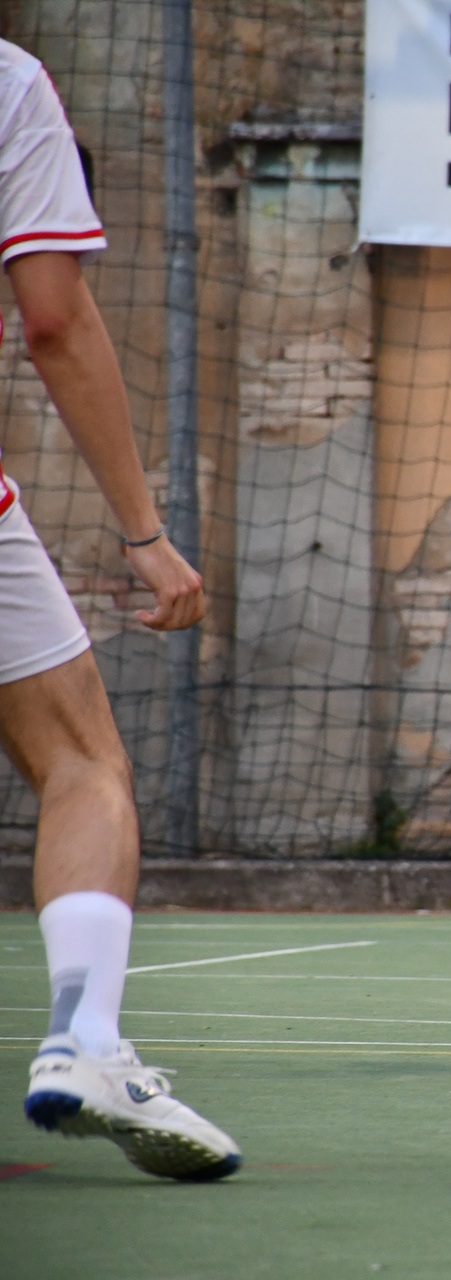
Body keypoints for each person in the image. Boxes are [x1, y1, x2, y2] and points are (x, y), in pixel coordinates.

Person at [3, 39, 241, 1178]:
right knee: (83, 761)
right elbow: (53, 319)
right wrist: (145, 535)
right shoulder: (11, 85)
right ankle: (84, 1036)